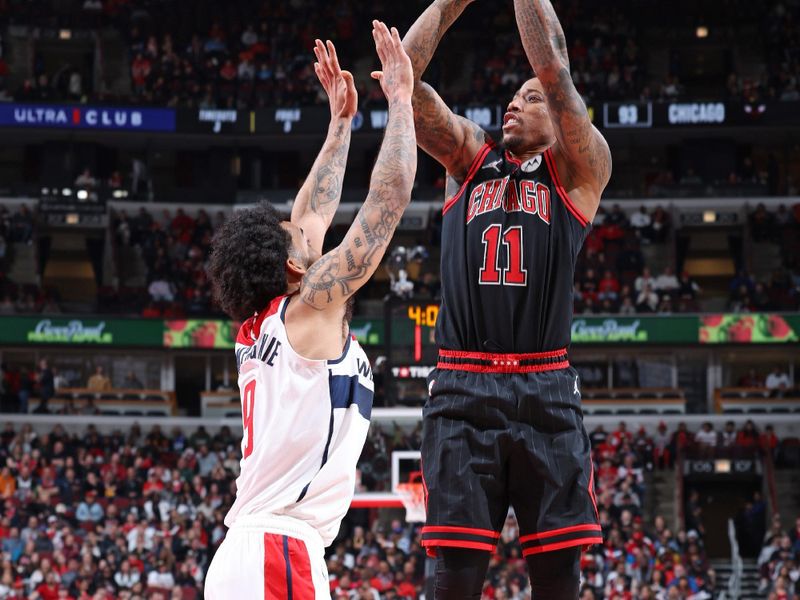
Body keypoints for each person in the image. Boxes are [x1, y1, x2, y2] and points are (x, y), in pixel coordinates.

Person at [402, 0, 611, 597]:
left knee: (557, 575)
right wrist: (446, 4)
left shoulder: (579, 171)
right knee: (454, 578)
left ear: (567, 118)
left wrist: (546, 75)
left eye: (531, 98)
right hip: (464, 386)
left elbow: (553, 68)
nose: (513, 103)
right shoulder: (470, 158)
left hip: (546, 389)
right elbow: (406, 85)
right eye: (512, 98)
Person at [204, 24, 416, 599]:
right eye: (299, 238)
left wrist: (341, 124)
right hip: (277, 552)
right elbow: (388, 202)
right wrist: (401, 100)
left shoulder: (272, 320)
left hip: (259, 551)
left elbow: (313, 211)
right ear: (297, 270)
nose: (309, 229)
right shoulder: (307, 310)